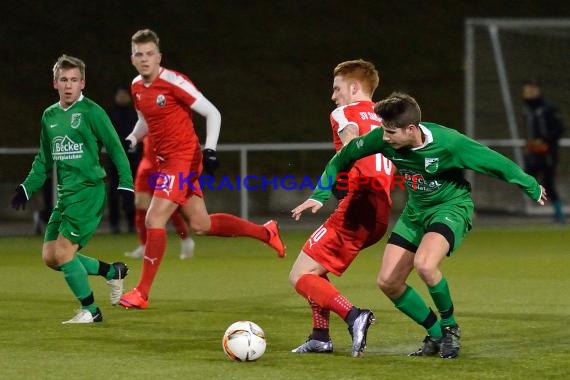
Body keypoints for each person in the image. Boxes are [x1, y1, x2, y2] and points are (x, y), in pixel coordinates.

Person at [292, 92, 547, 359]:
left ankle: (451, 329)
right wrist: (319, 195)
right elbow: (341, 158)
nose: (385, 137)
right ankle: (436, 333)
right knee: (388, 281)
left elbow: (495, 163)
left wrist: (530, 186)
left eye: (391, 132)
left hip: (450, 208)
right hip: (416, 212)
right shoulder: (382, 137)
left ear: (411, 129)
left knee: (425, 265)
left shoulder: (449, 143)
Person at [119, 29, 285, 309]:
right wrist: (133, 138)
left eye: (150, 54)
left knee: (154, 219)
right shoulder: (137, 87)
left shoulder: (173, 81)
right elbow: (145, 121)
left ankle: (142, 293)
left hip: (183, 159)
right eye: (139, 54)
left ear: (159, 56)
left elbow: (212, 112)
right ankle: (265, 232)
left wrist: (210, 150)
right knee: (201, 225)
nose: (145, 59)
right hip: (165, 161)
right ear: (132, 59)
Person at [10, 55, 134, 323]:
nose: (69, 85)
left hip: (89, 192)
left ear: (83, 83)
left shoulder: (92, 111)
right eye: (63, 80)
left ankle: (91, 310)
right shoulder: (50, 116)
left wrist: (126, 184)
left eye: (74, 80)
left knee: (64, 252)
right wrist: (26, 188)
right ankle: (112, 272)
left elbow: (115, 147)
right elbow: (43, 160)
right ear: (55, 83)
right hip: (65, 195)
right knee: (50, 257)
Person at [289, 59, 394, 358]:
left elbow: (350, 139)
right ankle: (320, 336)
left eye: (337, 89)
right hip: (381, 211)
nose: (333, 96)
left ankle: (353, 315)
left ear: (354, 87)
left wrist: (329, 186)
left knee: (299, 276)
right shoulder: (386, 119)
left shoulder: (344, 112)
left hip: (359, 203)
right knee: (314, 269)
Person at [124, 135, 196, 260]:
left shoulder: (170, 120)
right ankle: (144, 245)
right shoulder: (146, 117)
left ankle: (186, 240)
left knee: (168, 210)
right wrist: (132, 140)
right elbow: (140, 129)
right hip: (146, 166)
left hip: (164, 167)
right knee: (140, 205)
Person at [522, 79, 565, 223]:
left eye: (531, 90)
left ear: (537, 90)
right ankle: (534, 203)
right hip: (534, 152)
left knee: (549, 182)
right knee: (525, 175)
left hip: (547, 153)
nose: (528, 93)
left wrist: (545, 141)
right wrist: (529, 145)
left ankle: (559, 214)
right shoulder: (528, 109)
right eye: (526, 90)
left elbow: (559, 128)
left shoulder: (548, 108)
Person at [105, 85, 140, 233]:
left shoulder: (135, 114)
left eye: (124, 94)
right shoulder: (110, 115)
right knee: (113, 192)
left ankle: (132, 223)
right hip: (114, 160)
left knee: (131, 192)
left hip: (132, 159)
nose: (122, 97)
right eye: (119, 95)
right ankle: (114, 224)